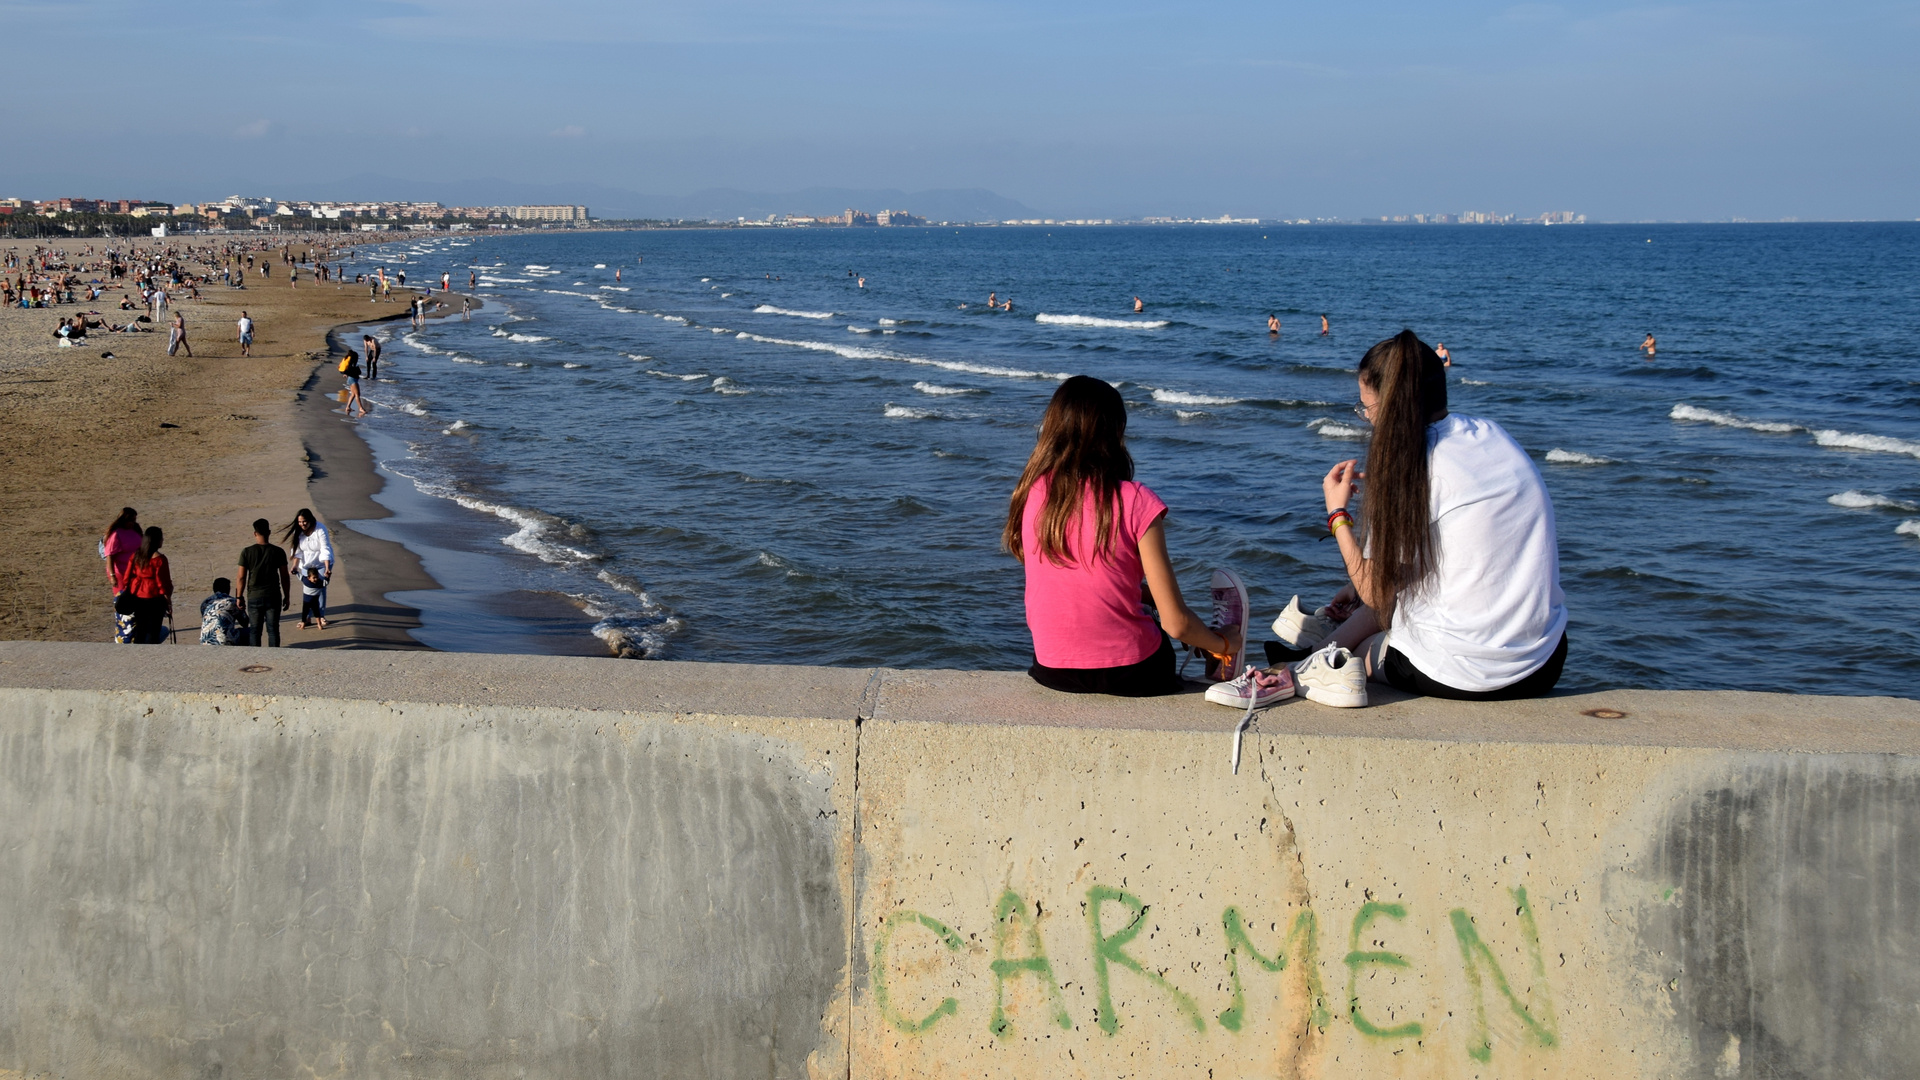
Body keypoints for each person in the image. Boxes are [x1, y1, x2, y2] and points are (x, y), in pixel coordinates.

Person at [1284, 330, 1568, 707]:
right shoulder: (1491, 435)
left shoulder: (1411, 466)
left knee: (1361, 648)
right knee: (1379, 610)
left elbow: (1377, 594)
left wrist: (1337, 515)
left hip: (1465, 675)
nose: (1366, 418)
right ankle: (1313, 650)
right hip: (1544, 661)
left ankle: (1309, 661)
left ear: (1390, 406)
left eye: (1365, 408)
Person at [1004, 376, 1274, 699]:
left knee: (1146, 603)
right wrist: (1225, 641)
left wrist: (1143, 595)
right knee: (1165, 622)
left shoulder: (1032, 494)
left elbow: (1070, 581)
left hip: (1051, 669)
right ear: (1115, 433)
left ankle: (1176, 624)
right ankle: (1221, 658)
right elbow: (1176, 625)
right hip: (1131, 674)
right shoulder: (1135, 500)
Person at [236, 518, 290, 647]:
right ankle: (274, 656)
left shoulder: (247, 552)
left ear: (255, 533)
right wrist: (287, 596)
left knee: (255, 630)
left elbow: (241, 577)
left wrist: (239, 596)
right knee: (273, 630)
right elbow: (284, 576)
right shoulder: (278, 552)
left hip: (254, 595)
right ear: (269, 532)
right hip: (273, 595)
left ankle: (256, 658)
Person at [116, 526, 174, 644]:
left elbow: (127, 577)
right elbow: (162, 582)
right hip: (155, 598)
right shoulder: (160, 560)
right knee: (154, 631)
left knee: (140, 629)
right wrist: (168, 600)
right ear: (157, 541)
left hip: (137, 595)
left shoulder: (136, 556)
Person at [283, 508, 334, 629]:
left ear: (310, 520)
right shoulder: (298, 531)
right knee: (308, 588)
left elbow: (325, 548)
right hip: (306, 564)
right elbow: (297, 551)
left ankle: (321, 616)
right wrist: (295, 566)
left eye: (304, 521)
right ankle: (307, 617)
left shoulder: (320, 529)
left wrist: (327, 567)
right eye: (300, 522)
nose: (302, 524)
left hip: (322, 562)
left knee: (320, 588)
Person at [102, 507, 143, 643]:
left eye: (134, 519)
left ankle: (133, 630)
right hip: (120, 573)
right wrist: (112, 575)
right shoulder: (116, 534)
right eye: (131, 519)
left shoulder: (135, 531)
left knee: (136, 601)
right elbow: (110, 556)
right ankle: (122, 631)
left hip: (134, 572)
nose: (133, 522)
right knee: (123, 602)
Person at [198, 578, 248, 646]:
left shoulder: (205, 603)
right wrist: (240, 603)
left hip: (205, 641)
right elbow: (245, 622)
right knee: (251, 632)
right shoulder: (232, 601)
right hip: (224, 640)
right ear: (228, 589)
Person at [340, 350, 367, 417]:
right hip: (353, 380)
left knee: (353, 394)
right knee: (357, 394)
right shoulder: (353, 364)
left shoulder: (350, 363)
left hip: (351, 379)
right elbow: (359, 372)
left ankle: (348, 407)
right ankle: (360, 408)